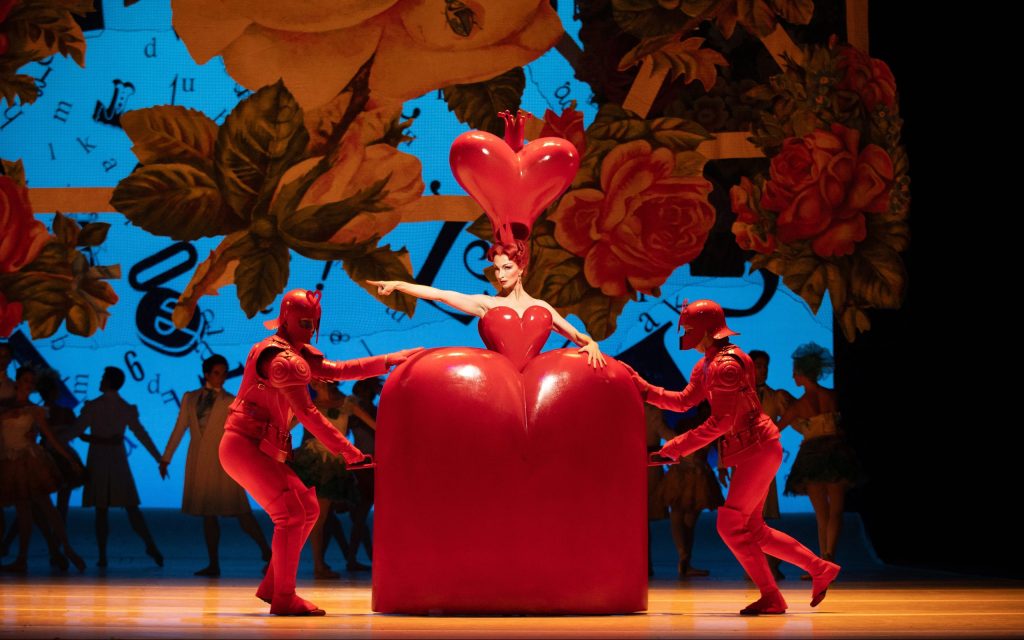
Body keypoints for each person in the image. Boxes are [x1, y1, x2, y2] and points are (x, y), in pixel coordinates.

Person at [624, 300, 840, 615]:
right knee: (753, 530)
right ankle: (817, 569)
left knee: (730, 523)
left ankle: (774, 594)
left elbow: (720, 423)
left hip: (759, 449)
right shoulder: (711, 364)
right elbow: (685, 401)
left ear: (707, 330)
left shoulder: (726, 366)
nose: (685, 334)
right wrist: (645, 389)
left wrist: (674, 448)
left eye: (689, 329)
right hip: (754, 449)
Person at [218, 288, 420, 616]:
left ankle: (273, 586)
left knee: (308, 507)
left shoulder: (291, 352)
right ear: (287, 320)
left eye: (313, 323)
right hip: (245, 446)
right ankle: (283, 597)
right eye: (305, 322)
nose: (310, 329)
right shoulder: (283, 361)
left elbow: (336, 369)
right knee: (291, 514)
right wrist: (349, 451)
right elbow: (310, 415)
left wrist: (389, 360)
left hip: (255, 446)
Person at [369, 240, 606, 369]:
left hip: (536, 384)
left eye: (507, 268)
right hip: (497, 382)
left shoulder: (542, 308)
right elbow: (440, 294)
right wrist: (399, 284)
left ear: (521, 269)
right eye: (496, 269)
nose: (500, 275)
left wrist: (593, 343)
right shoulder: (487, 304)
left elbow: (577, 335)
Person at [159, 354, 271, 577]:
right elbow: (180, 427)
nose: (221, 377)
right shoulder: (190, 398)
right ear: (207, 374)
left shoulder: (232, 400)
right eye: (217, 372)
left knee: (240, 510)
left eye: (224, 372)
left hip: (224, 460)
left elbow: (245, 429)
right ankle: (213, 563)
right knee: (208, 514)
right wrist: (166, 458)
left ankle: (268, 553)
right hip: (200, 460)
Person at [778, 342, 860, 574]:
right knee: (835, 511)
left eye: (795, 372)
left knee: (822, 514)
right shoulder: (832, 396)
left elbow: (775, 430)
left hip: (813, 457)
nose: (793, 375)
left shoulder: (799, 406)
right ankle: (828, 558)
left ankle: (822, 563)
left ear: (803, 374)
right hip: (836, 453)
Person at [73, 366, 164, 568]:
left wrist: (54, 439)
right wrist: (159, 458)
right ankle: (150, 545)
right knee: (131, 508)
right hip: (117, 460)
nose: (100, 380)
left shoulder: (94, 407)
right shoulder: (124, 407)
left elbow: (75, 431)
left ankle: (103, 555)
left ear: (108, 381)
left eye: (103, 377)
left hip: (99, 460)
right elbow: (141, 434)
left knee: (101, 510)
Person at [0, 367, 85, 573]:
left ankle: (66, 547)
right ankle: (22, 558)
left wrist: (69, 459)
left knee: (46, 507)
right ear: (18, 381)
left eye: (32, 382)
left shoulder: (35, 410)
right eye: (26, 380)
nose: (29, 384)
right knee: (24, 512)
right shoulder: (5, 406)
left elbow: (52, 439)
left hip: (29, 459)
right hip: (10, 460)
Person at [748, 349, 793, 581]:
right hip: (744, 464)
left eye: (765, 366)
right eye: (758, 366)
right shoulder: (738, 395)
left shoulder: (775, 397)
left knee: (764, 517)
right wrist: (723, 463)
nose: (762, 370)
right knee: (747, 519)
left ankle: (772, 564)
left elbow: (795, 414)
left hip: (765, 463)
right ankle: (759, 566)